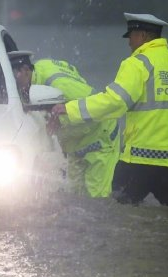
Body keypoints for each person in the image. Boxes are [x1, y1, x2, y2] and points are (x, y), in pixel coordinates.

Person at [51, 13, 168, 205]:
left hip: (140, 158)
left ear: (143, 36)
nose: (129, 43)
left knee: (116, 211)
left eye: (131, 36)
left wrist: (70, 109)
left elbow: (115, 101)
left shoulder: (137, 63)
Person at [9, 52, 120, 198]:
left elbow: (98, 108)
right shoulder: (41, 68)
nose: (14, 85)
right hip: (77, 143)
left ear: (25, 70)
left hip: (100, 140)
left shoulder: (62, 86)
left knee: (97, 199)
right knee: (75, 196)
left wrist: (60, 120)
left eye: (14, 78)